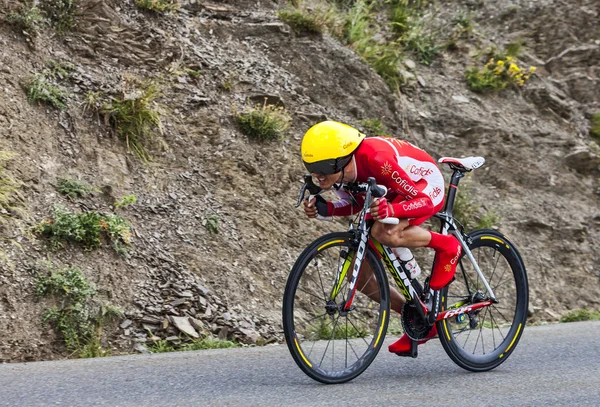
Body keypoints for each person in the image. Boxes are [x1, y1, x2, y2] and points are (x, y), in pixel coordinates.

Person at [300, 120, 461, 355]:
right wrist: (327, 209)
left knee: (384, 231)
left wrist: (393, 211)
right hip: (396, 190)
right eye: (311, 167)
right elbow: (355, 204)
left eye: (322, 168)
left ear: (342, 159)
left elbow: (423, 201)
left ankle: (448, 245)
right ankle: (419, 317)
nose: (317, 175)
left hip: (424, 185)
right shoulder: (342, 172)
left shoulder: (377, 159)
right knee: (362, 274)